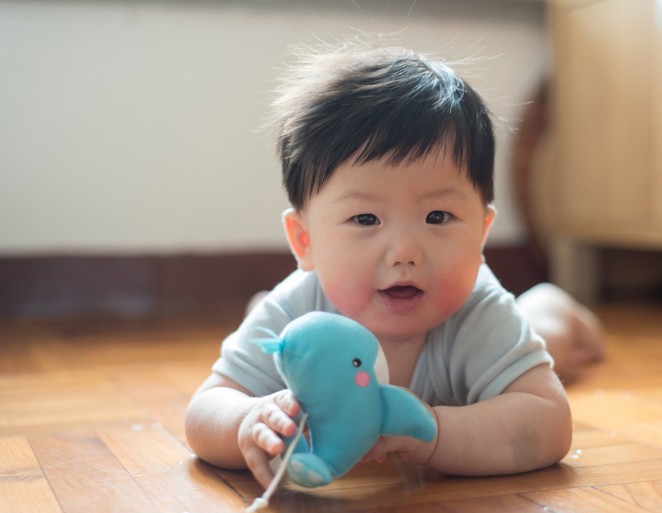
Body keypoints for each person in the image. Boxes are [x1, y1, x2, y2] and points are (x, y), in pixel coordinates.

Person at [185, 42, 604, 489]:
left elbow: (549, 422)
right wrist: (248, 420)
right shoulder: (297, 312)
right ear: (304, 241)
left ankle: (550, 305)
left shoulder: (479, 310)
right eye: (366, 219)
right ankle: (258, 314)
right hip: (291, 312)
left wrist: (435, 432)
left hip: (501, 334)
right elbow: (205, 411)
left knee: (547, 338)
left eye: (437, 217)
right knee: (269, 333)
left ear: (481, 234)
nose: (405, 252)